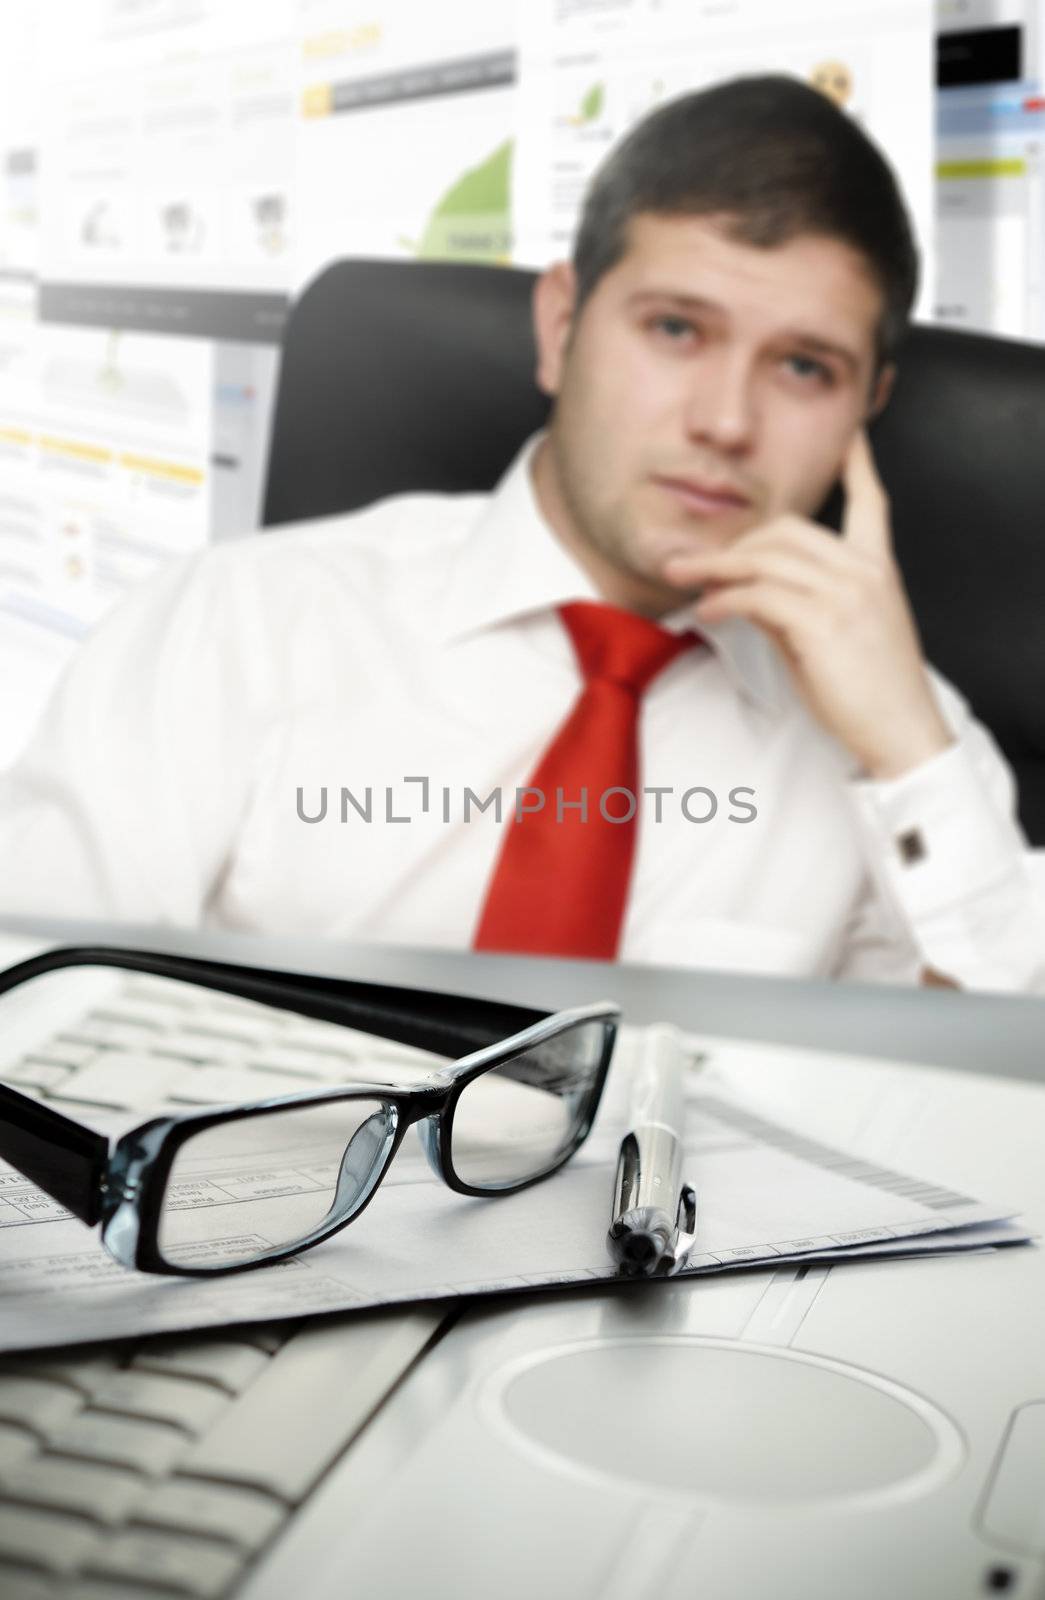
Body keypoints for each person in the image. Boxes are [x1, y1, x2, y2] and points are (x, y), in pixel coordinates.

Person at [0, 75, 1041, 992]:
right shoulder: (239, 622)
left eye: (803, 366)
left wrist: (908, 751)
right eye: (675, 328)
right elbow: (33, 1025)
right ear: (560, 326)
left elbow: (972, 1129)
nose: (725, 421)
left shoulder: (904, 744)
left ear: (867, 404)